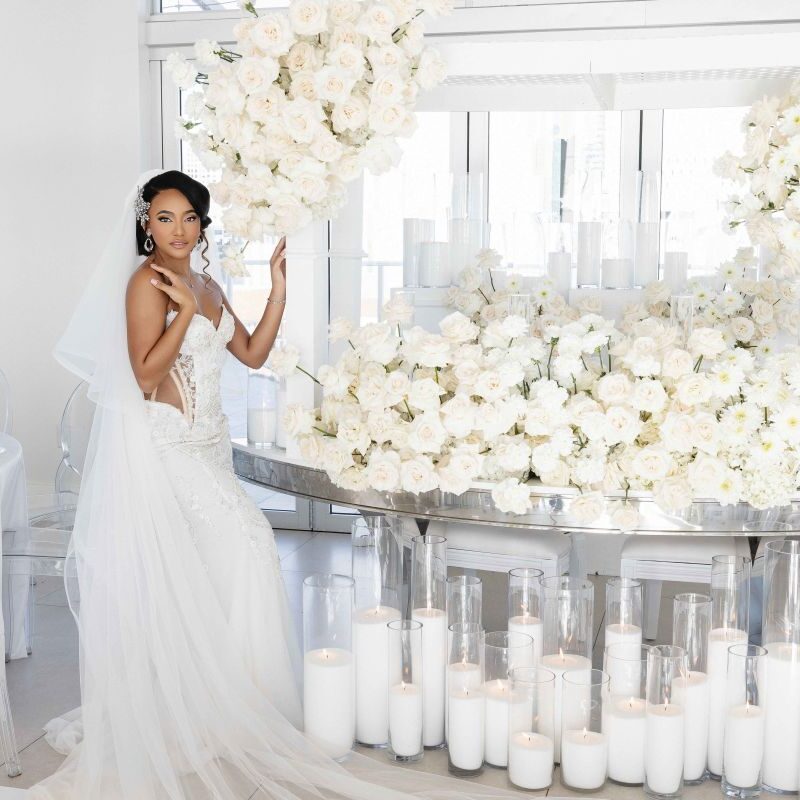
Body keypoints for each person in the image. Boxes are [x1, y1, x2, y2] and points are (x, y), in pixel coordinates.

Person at [23, 170, 520, 800]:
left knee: (217, 567)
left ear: (203, 225)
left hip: (211, 447)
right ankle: (223, 705)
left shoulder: (206, 283)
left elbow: (252, 354)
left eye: (190, 218)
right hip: (168, 447)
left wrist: (277, 288)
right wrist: (181, 313)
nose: (179, 230)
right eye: (166, 217)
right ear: (146, 223)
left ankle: (222, 701)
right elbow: (144, 377)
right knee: (252, 541)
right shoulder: (146, 284)